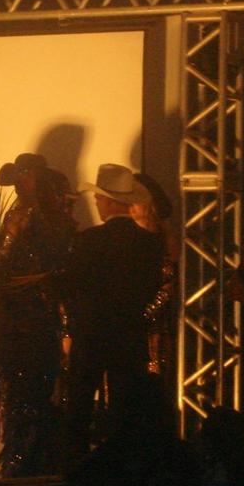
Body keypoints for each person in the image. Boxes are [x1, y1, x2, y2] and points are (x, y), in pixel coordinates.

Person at [63, 163, 162, 467]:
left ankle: (76, 467)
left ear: (108, 201)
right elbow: (152, 287)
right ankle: (124, 468)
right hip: (129, 333)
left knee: (80, 404)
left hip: (91, 332)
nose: (95, 202)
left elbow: (74, 285)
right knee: (126, 405)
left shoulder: (88, 240)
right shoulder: (148, 243)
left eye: (98, 198)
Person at [0, 154, 75, 477]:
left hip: (24, 312)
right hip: (30, 310)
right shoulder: (49, 217)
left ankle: (24, 457)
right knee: (28, 385)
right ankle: (28, 454)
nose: (18, 183)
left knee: (24, 385)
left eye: (24, 176)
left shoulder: (32, 215)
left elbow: (4, 260)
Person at [130, 173, 178, 376]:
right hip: (124, 328)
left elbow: (168, 286)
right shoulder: (124, 238)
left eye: (135, 198)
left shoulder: (163, 241)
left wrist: (137, 316)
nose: (130, 205)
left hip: (153, 332)